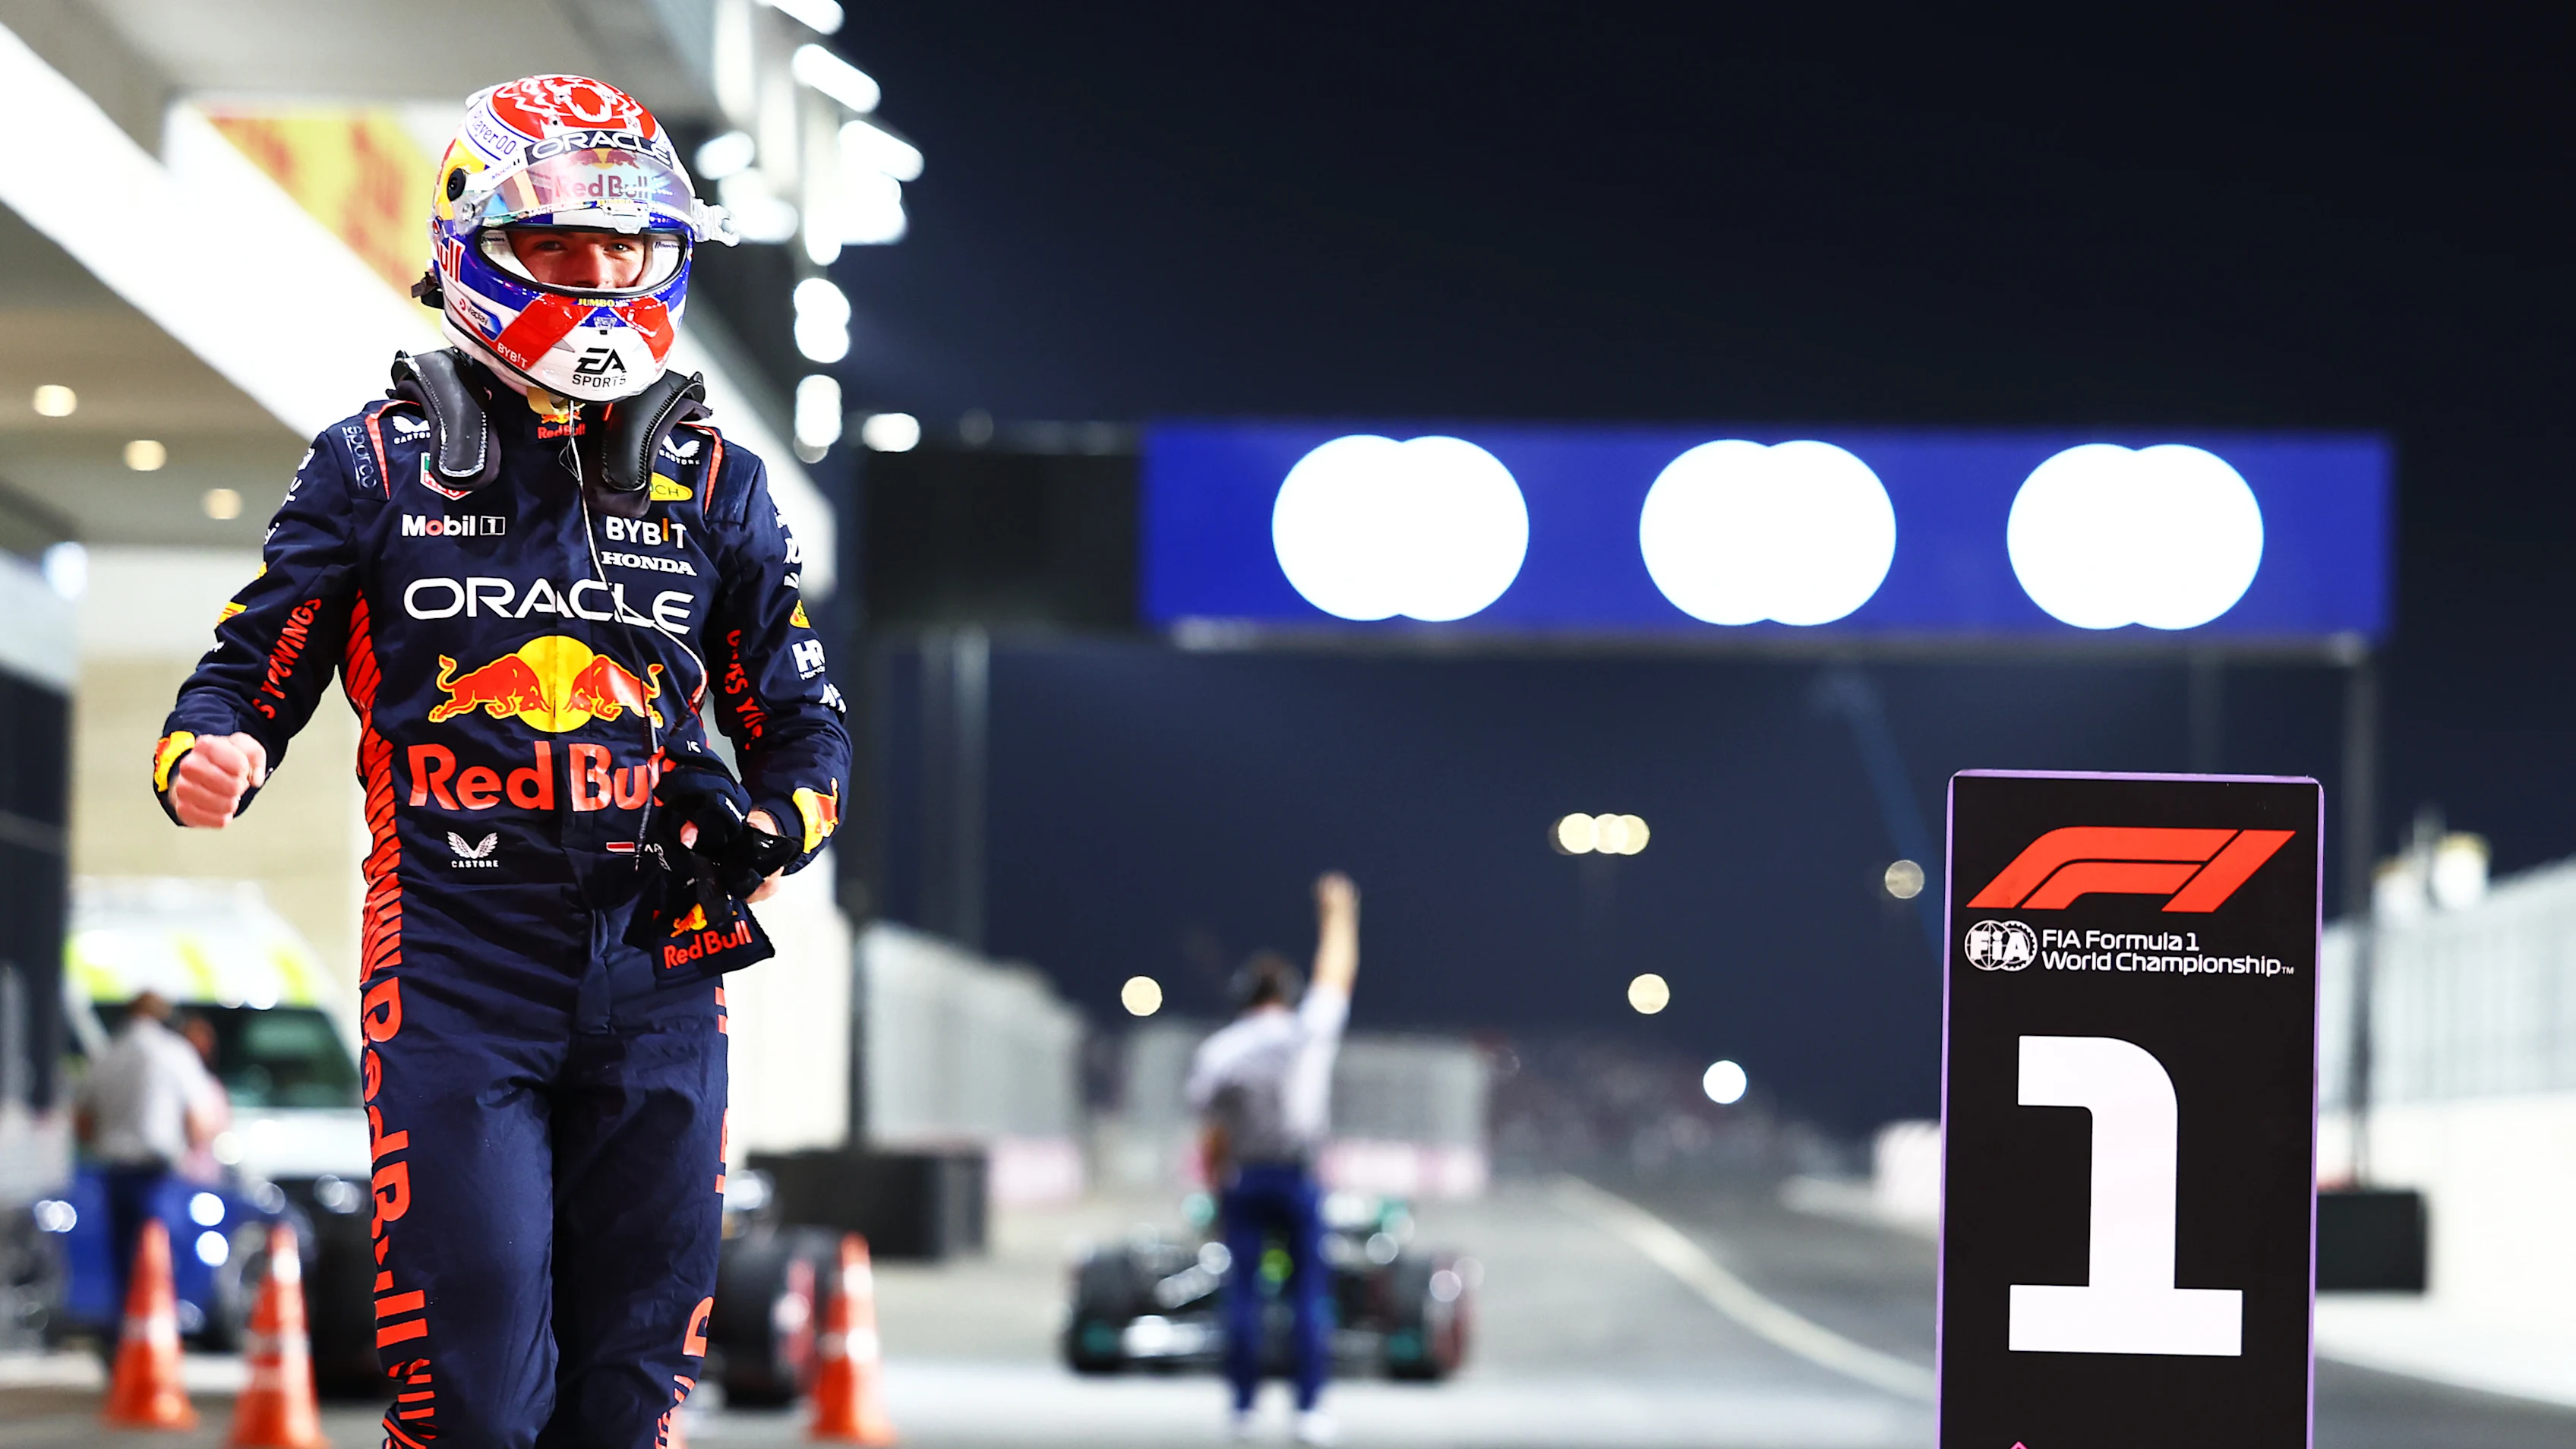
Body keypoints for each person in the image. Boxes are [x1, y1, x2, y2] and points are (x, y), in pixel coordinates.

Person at [151, 75, 849, 1449]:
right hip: (458, 972)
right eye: (562, 249)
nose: (599, 279)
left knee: (631, 1385)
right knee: (473, 1386)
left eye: (628, 249)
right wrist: (208, 747)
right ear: (478, 242)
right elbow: (246, 672)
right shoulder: (374, 463)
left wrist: (778, 826)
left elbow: (803, 724)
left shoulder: (717, 481)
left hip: (665, 972)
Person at [1185, 873, 1362, 1445]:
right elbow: (1337, 975)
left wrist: (1216, 1186)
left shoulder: (1220, 1050)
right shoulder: (1306, 1030)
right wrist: (1339, 915)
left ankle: (1243, 1408)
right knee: (1310, 1295)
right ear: (1285, 996)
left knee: (1243, 1294)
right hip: (1297, 1175)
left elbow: (1210, 1132)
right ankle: (1309, 1410)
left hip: (1245, 1177)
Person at [75, 992, 224, 1337]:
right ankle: (159, 1337)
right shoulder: (175, 1054)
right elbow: (198, 1122)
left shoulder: (106, 1054)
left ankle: (125, 1341)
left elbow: (82, 1121)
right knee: (159, 1258)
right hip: (158, 1174)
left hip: (115, 1171)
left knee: (122, 1263)